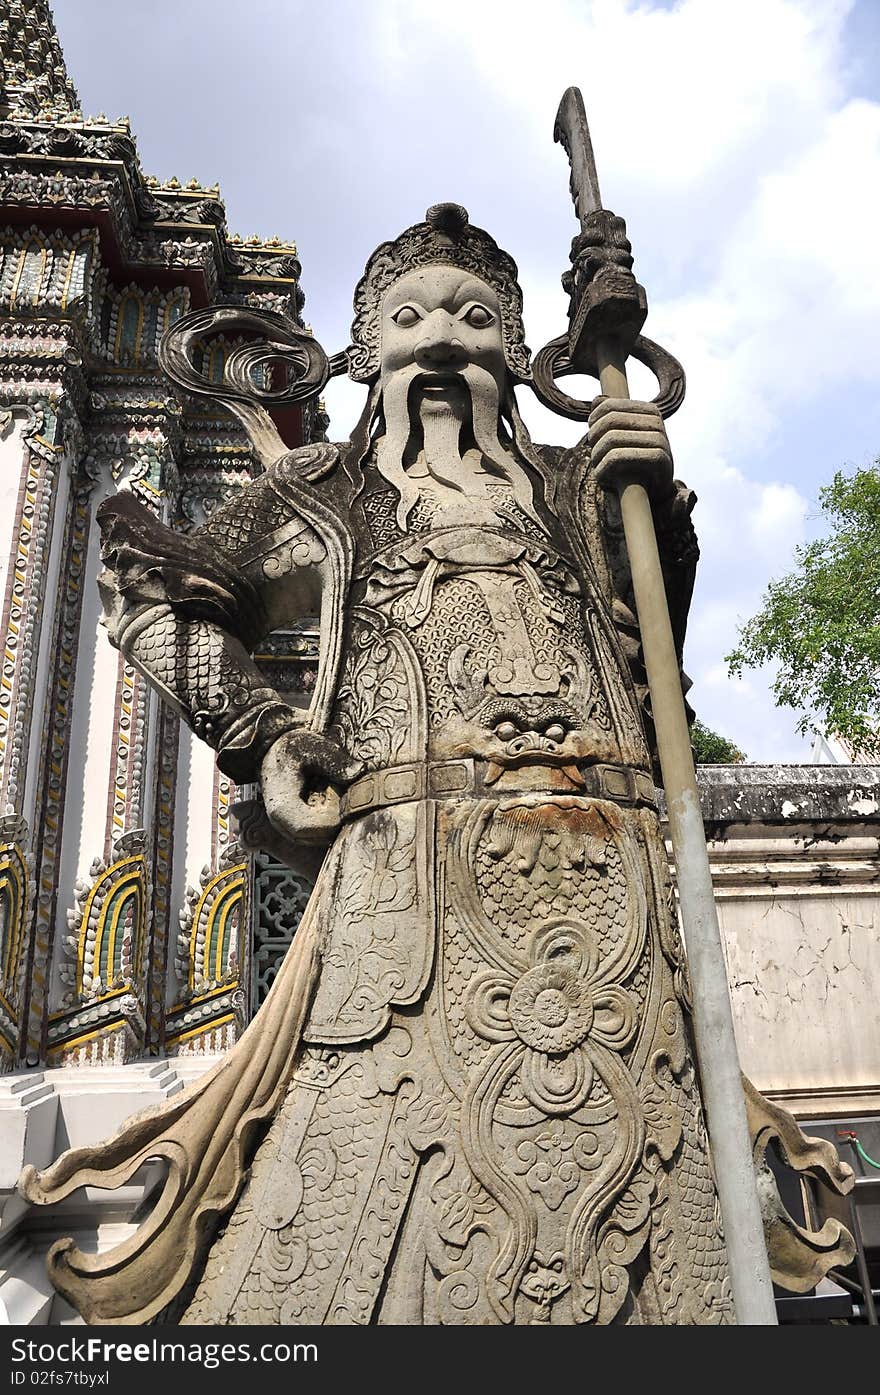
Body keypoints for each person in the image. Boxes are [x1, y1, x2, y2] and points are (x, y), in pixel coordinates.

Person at [22, 204, 733, 1325]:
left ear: (517, 349)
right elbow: (147, 595)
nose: (443, 340)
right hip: (414, 895)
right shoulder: (324, 492)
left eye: (475, 317)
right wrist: (264, 735)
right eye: (409, 319)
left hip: (613, 902)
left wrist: (652, 504)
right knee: (374, 1182)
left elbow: (650, 660)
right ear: (364, 354)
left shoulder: (574, 490)